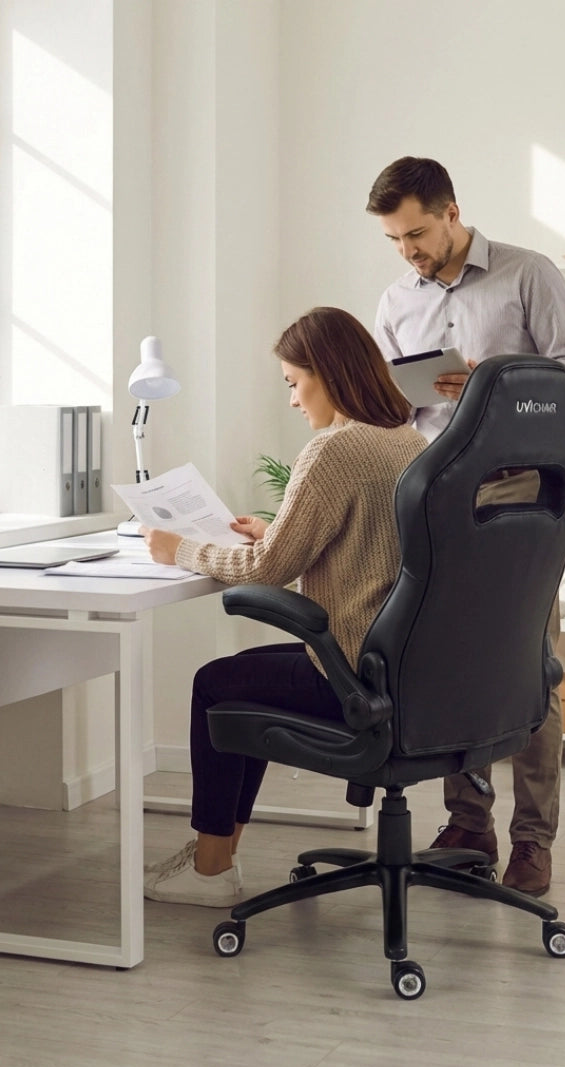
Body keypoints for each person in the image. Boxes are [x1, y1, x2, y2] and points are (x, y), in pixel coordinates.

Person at [140, 306, 427, 907]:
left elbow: (270, 572)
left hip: (350, 672)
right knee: (243, 685)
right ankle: (217, 853)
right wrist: (276, 529)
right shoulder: (407, 440)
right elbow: (371, 538)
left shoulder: (335, 449)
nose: (294, 400)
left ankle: (213, 870)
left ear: (327, 374)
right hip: (407, 667)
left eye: (295, 382)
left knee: (217, 685)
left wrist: (178, 549)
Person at [366, 156, 565, 897]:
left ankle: (533, 841)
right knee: (450, 664)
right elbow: (387, 410)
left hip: (524, 497)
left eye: (419, 233)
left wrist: (492, 380)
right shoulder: (397, 300)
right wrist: (397, 399)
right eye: (397, 240)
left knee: (531, 664)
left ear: (453, 210)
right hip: (437, 501)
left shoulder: (528, 274)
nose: (410, 251)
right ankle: (468, 823)